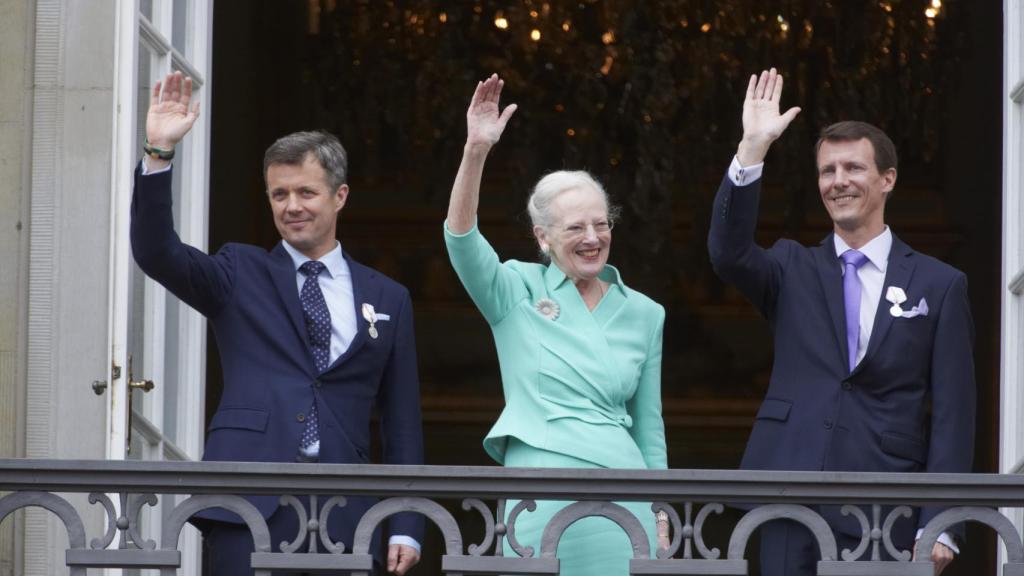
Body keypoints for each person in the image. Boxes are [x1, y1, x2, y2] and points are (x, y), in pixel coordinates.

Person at [131, 71, 424, 575]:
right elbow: (157, 253)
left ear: (341, 196)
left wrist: (405, 523)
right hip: (249, 501)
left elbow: (401, 421)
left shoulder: (388, 296)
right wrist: (159, 152)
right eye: (278, 194)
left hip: (347, 506)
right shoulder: (238, 271)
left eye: (306, 192)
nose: (291, 207)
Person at [707, 68, 976, 575]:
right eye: (828, 171)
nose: (839, 182)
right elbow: (728, 253)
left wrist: (941, 518)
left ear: (887, 179)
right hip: (789, 496)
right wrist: (752, 149)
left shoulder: (941, 285)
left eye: (853, 168)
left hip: (885, 504)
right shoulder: (790, 267)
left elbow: (954, 414)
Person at [444, 74, 669, 575]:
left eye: (601, 224)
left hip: (625, 496)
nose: (592, 238)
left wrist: (660, 508)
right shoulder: (515, 290)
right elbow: (461, 241)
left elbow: (650, 427)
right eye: (575, 228)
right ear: (543, 238)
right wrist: (475, 151)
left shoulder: (646, 312)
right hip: (538, 495)